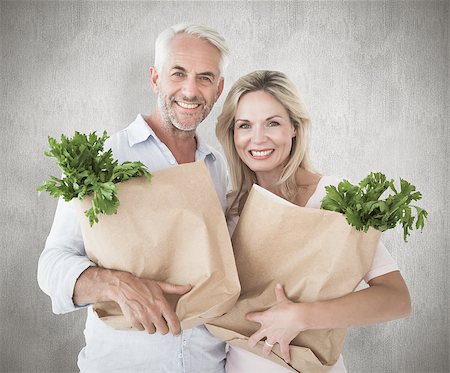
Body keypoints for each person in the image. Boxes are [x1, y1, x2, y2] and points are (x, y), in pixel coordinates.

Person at [38, 23, 230, 372]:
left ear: (218, 89)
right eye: (178, 73)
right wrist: (115, 284)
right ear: (155, 79)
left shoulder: (217, 166)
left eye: (204, 78)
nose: (190, 90)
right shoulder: (101, 160)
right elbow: (51, 266)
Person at [215, 70, 412, 372]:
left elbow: (396, 299)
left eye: (273, 123)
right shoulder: (227, 210)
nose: (258, 138)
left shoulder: (335, 197)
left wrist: (301, 317)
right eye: (245, 125)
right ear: (232, 134)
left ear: (294, 128)